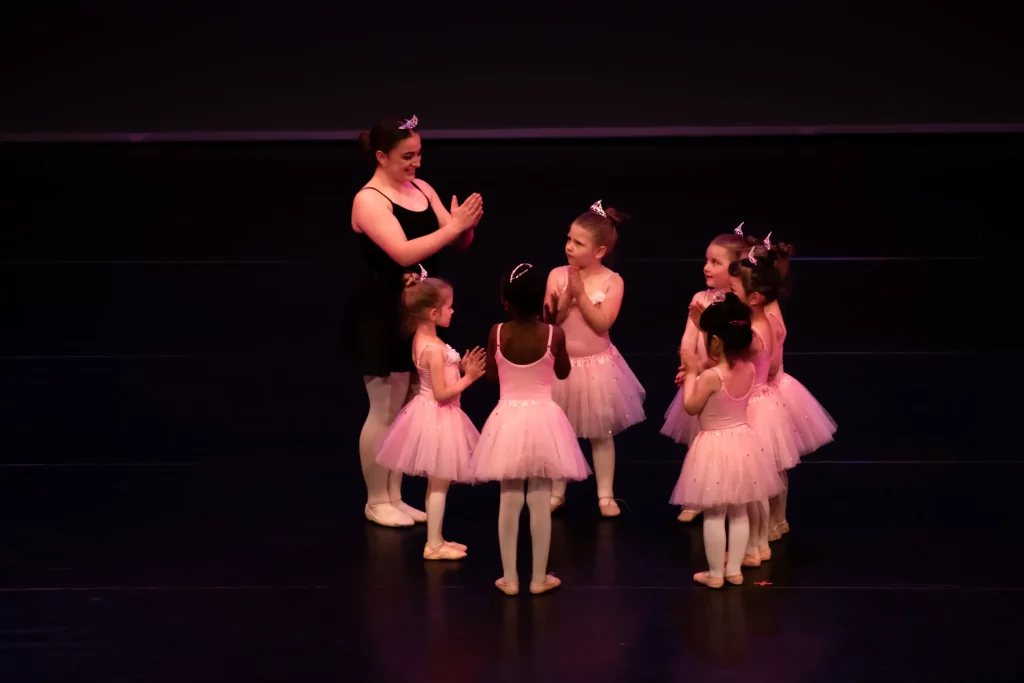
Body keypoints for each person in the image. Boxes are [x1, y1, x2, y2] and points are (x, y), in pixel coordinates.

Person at [343, 115, 483, 527]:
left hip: (418, 313)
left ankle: (394, 494)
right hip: (382, 314)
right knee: (384, 409)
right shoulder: (368, 200)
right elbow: (403, 253)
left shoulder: (422, 188)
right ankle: (375, 499)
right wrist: (453, 227)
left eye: (419, 154)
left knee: (410, 407)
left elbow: (453, 238)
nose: (416, 163)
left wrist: (464, 228)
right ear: (381, 156)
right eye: (407, 156)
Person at [471, 264, 591, 595]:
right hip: (543, 419)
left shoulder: (497, 332)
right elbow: (564, 373)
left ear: (504, 301)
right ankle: (539, 578)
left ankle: (510, 577)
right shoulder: (554, 334)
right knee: (539, 498)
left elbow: (494, 378)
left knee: (508, 497)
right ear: (542, 301)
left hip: (507, 418)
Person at [669, 292, 783, 588]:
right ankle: (734, 569)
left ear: (716, 342)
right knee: (740, 510)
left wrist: (692, 372)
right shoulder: (746, 368)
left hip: (714, 446)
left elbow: (691, 406)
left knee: (715, 513)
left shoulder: (710, 376)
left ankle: (715, 573)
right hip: (743, 442)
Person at [545, 201, 646, 517]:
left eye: (578, 243)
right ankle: (556, 490)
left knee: (601, 434)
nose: (569, 247)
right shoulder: (556, 275)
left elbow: (602, 323)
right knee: (559, 430)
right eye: (568, 239)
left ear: (599, 251)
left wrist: (580, 295)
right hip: (562, 367)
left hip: (598, 367)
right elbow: (551, 321)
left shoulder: (612, 281)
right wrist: (566, 295)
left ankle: (605, 494)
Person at [375, 277, 486, 559]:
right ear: (433, 313)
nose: (453, 311)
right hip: (439, 415)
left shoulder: (426, 340)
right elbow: (441, 393)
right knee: (439, 484)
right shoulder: (433, 349)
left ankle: (437, 539)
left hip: (433, 415)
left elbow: (442, 371)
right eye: (449, 307)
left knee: (439, 483)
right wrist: (469, 378)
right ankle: (433, 545)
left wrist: (460, 364)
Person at [662, 225, 751, 523]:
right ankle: (700, 495)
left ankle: (729, 495)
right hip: (701, 378)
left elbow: (738, 347)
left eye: (716, 262)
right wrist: (689, 366)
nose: (706, 267)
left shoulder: (739, 307)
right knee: (699, 443)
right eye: (706, 260)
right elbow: (688, 339)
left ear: (736, 269)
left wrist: (705, 369)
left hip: (724, 382)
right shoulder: (700, 297)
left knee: (720, 441)